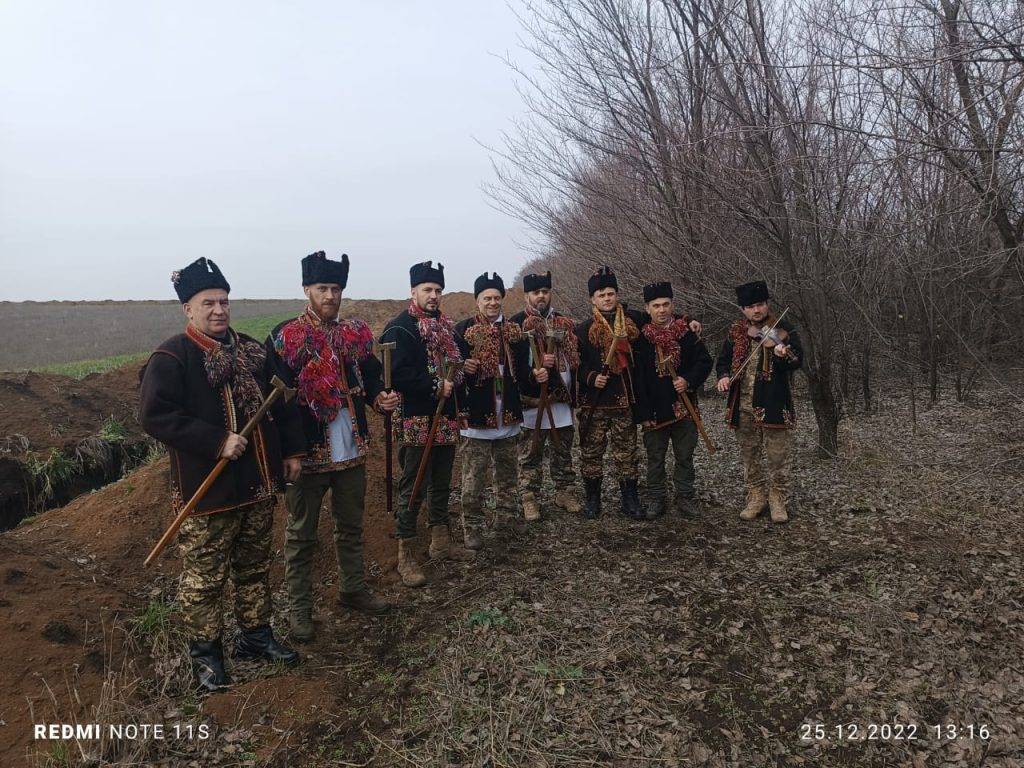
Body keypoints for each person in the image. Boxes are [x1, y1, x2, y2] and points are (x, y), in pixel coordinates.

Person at [139, 257, 304, 692]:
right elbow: (155, 416)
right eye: (208, 302)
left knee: (253, 569)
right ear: (187, 309)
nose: (218, 310)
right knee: (204, 580)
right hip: (207, 493)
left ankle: (256, 637)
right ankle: (207, 657)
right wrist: (216, 441)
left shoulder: (251, 351)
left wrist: (292, 452)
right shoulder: (172, 357)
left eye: (224, 301)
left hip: (258, 484)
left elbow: (283, 401)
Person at [267, 251, 401, 642]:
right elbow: (277, 400)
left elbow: (373, 376)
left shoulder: (355, 334)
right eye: (322, 288)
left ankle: (352, 588)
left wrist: (379, 398)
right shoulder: (285, 337)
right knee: (301, 534)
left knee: (351, 526)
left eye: (336, 288)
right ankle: (299, 610)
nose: (330, 295)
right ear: (306, 289)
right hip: (306, 454)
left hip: (351, 449)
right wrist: (289, 451)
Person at [380, 261, 475, 587]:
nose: (433, 295)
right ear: (413, 291)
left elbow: (458, 358)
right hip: (416, 419)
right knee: (414, 484)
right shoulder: (400, 328)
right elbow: (396, 374)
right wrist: (434, 386)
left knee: (441, 480)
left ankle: (440, 542)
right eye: (427, 290)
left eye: (437, 290)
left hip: (445, 418)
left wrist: (464, 367)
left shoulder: (447, 328)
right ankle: (405, 552)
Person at [714, 280, 802, 523]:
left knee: (777, 455)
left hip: (774, 403)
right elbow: (722, 361)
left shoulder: (783, 329)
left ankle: (778, 499)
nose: (757, 310)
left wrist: (783, 354)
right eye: (751, 306)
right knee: (749, 455)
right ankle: (756, 496)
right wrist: (723, 377)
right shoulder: (737, 332)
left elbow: (797, 361)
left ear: (767, 304)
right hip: (743, 405)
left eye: (761, 305)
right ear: (743, 309)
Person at [454, 273, 526, 548]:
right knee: (473, 478)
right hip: (477, 415)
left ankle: (507, 521)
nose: (492, 302)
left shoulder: (514, 331)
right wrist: (463, 366)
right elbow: (451, 369)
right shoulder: (462, 331)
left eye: (497, 297)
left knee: (507, 475)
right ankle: (472, 527)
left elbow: (525, 369)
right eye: (487, 298)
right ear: (477, 301)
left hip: (507, 412)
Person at [634, 281, 713, 519]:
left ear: (672, 305)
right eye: (656, 305)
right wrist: (643, 413)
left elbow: (704, 362)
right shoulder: (640, 338)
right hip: (655, 409)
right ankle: (656, 497)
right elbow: (637, 378)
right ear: (647, 308)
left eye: (666, 304)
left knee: (684, 454)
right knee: (655, 457)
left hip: (684, 407)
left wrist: (688, 380)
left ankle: (685, 496)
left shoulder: (687, 333)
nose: (661, 310)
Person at [575, 266, 646, 520]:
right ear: (592, 299)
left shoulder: (631, 322)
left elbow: (661, 314)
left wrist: (688, 319)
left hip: (623, 401)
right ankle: (593, 499)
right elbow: (575, 365)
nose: (607, 298)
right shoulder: (581, 331)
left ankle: (630, 498)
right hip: (594, 403)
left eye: (611, 293)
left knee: (627, 453)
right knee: (591, 453)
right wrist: (591, 378)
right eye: (601, 294)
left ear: (617, 295)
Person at [510, 271, 581, 520]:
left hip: (560, 399)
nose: (541, 296)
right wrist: (533, 373)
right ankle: (530, 498)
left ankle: (564, 492)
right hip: (533, 403)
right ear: (527, 295)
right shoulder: (516, 324)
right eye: (536, 292)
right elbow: (514, 365)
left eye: (545, 291)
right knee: (530, 455)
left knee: (563, 451)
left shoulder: (563, 323)